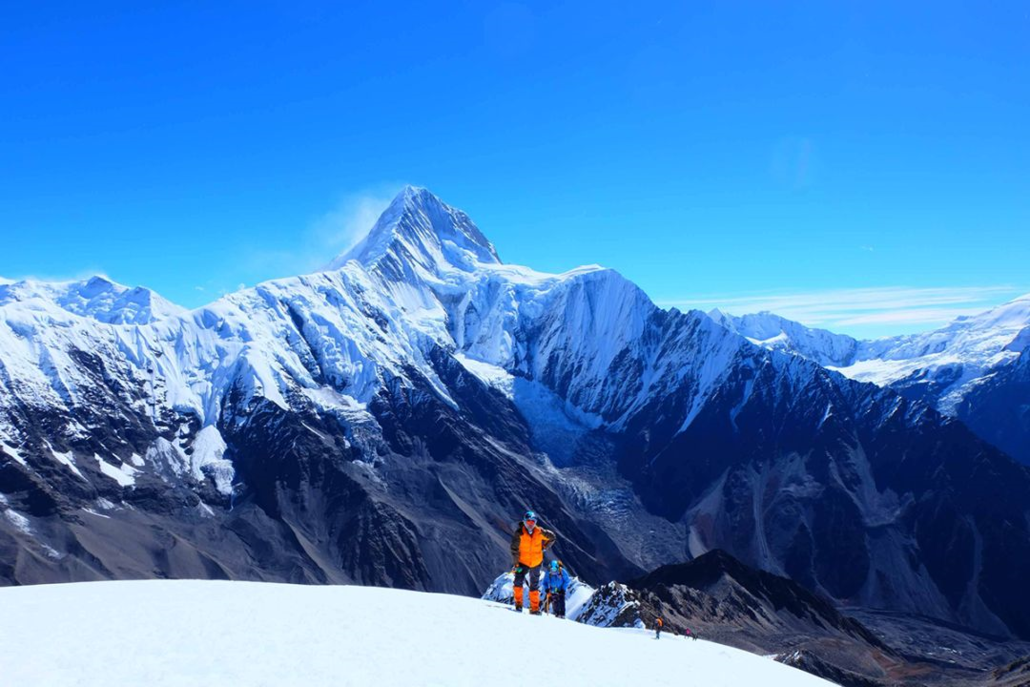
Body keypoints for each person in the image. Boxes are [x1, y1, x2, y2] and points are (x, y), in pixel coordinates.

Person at [510, 510, 556, 615]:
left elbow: (552, 537)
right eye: (528, 522)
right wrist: (516, 564)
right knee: (518, 582)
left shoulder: (540, 532)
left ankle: (534, 609)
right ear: (524, 522)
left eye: (533, 522)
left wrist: (545, 547)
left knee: (534, 586)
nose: (530, 524)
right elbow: (514, 549)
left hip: (536, 562)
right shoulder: (519, 534)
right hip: (523, 562)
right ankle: (518, 604)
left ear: (535, 522)